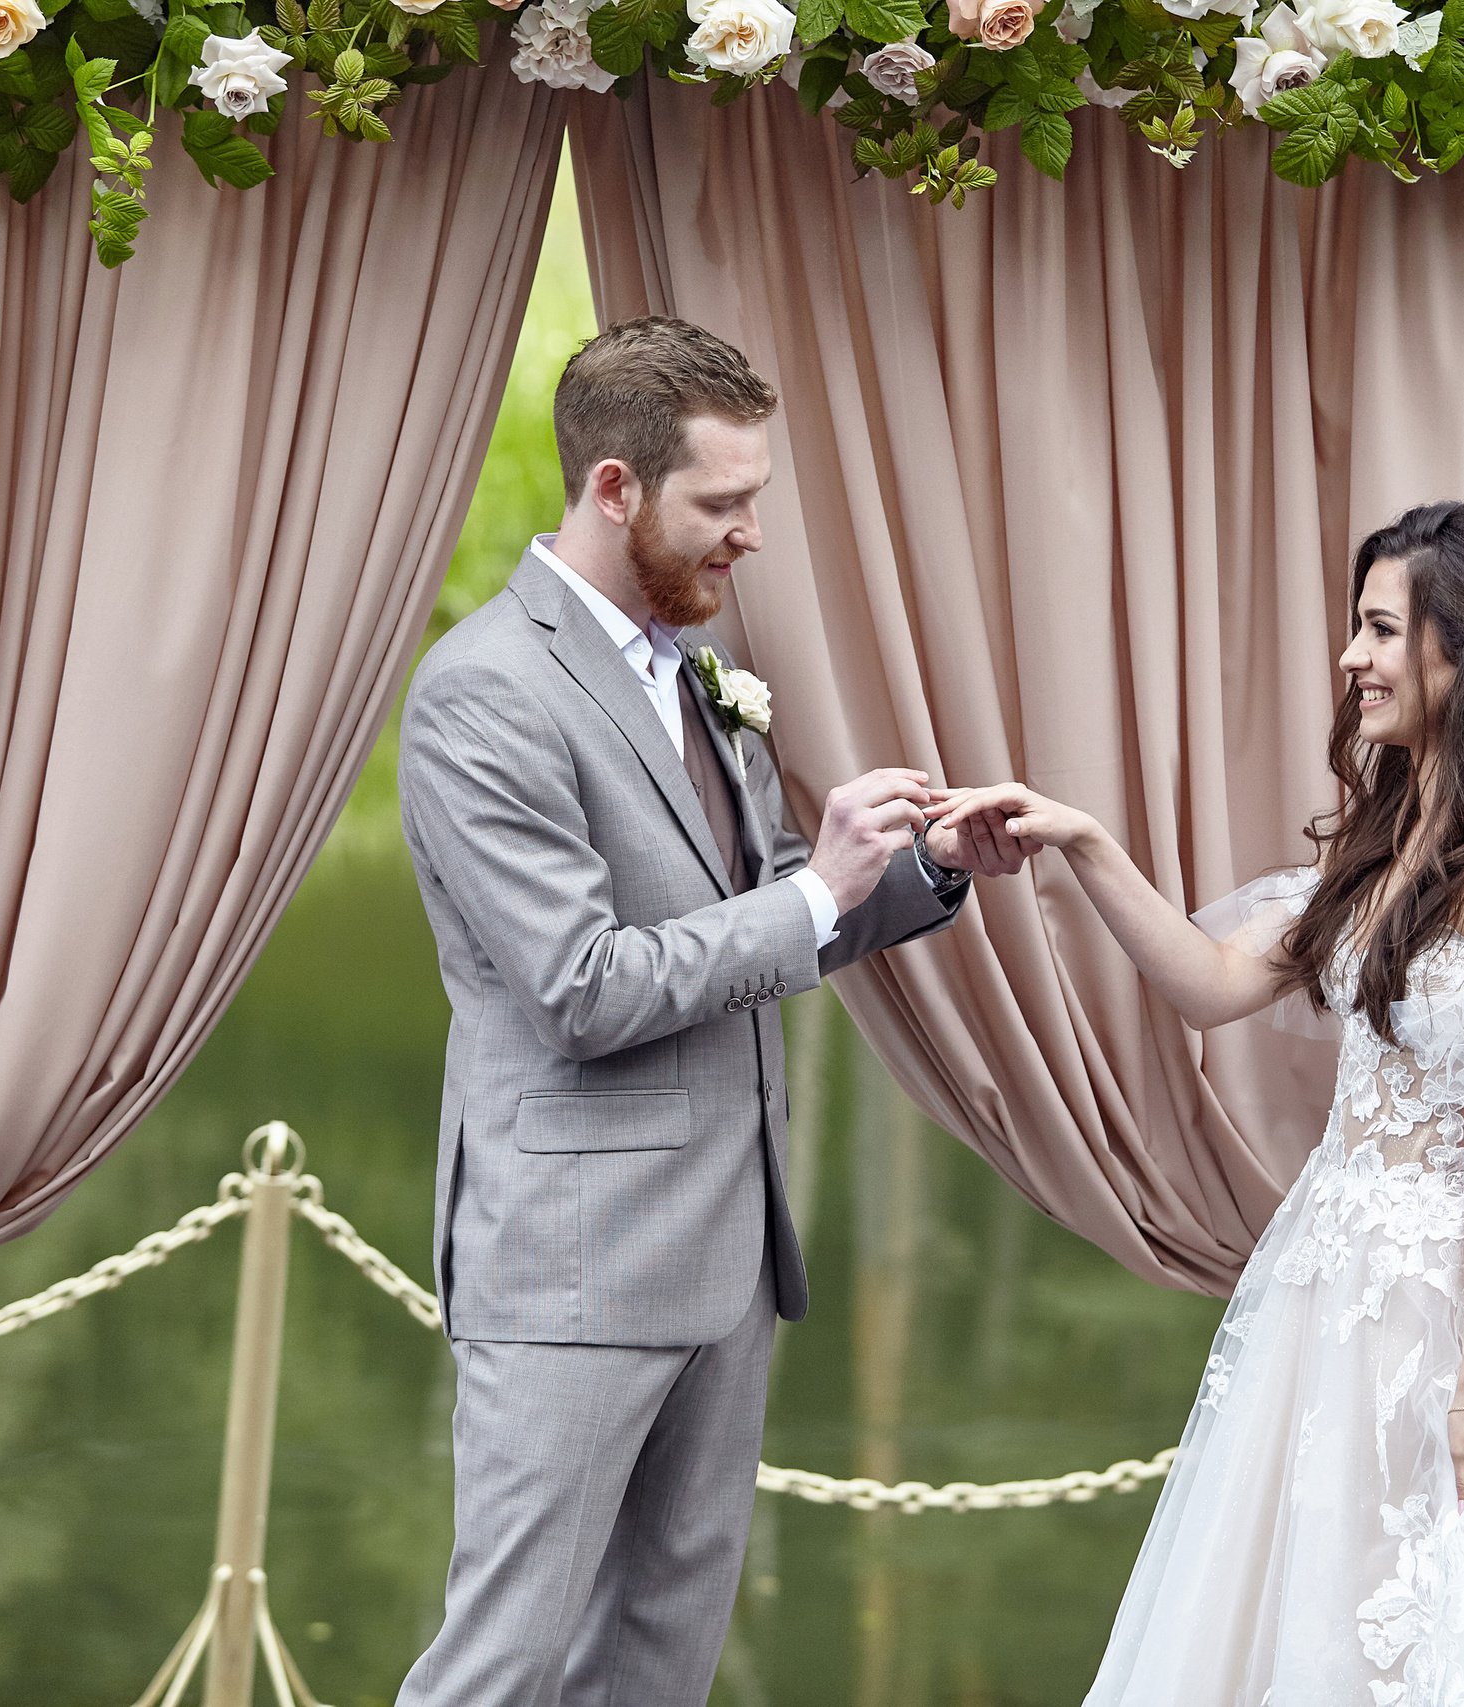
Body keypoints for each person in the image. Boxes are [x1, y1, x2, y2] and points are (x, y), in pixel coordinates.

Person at [934, 502, 1464, 1706]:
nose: (1352, 657)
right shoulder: (1394, 834)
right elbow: (1211, 982)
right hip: (1327, 1291)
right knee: (1304, 1617)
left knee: (1415, 1626)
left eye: (1382, 630)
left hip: (1445, 1309)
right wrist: (1081, 843)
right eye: (1359, 627)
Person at [393, 315, 1026, 1706]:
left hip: (727, 1253)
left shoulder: (694, 670)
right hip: (571, 1264)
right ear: (614, 487)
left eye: (756, 500)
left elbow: (760, 914)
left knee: (658, 1665)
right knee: (507, 1663)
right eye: (722, 503)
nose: (750, 535)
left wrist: (918, 871)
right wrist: (813, 897)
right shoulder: (482, 695)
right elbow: (581, 986)